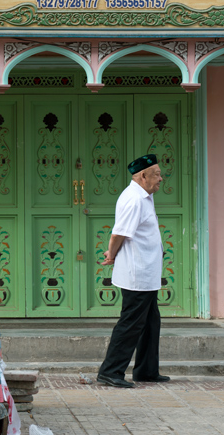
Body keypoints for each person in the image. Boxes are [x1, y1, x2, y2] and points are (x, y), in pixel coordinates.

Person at [96, 154, 170, 388]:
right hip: (137, 273)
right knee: (131, 323)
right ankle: (110, 371)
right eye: (157, 174)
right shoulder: (134, 199)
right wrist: (112, 254)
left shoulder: (144, 196)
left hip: (147, 272)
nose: (161, 178)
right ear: (142, 176)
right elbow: (119, 233)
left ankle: (147, 370)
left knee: (150, 322)